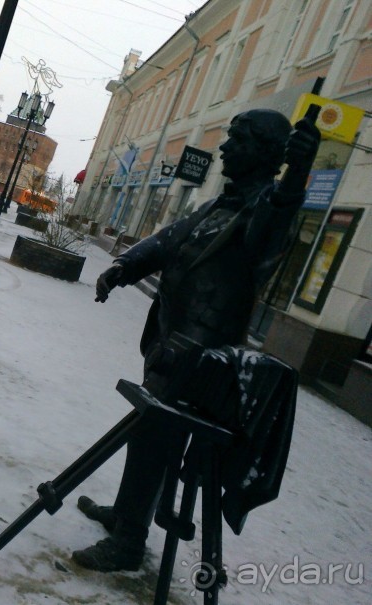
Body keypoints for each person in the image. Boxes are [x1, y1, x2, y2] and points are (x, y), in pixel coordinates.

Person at [71, 108, 321, 572]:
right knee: (147, 436)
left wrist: (296, 175)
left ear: (265, 152)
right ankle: (127, 514)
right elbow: (168, 240)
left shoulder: (261, 211)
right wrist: (125, 267)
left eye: (238, 140)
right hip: (170, 345)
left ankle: (128, 542)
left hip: (203, 360)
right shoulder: (216, 205)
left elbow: (276, 217)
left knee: (156, 441)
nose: (225, 147)